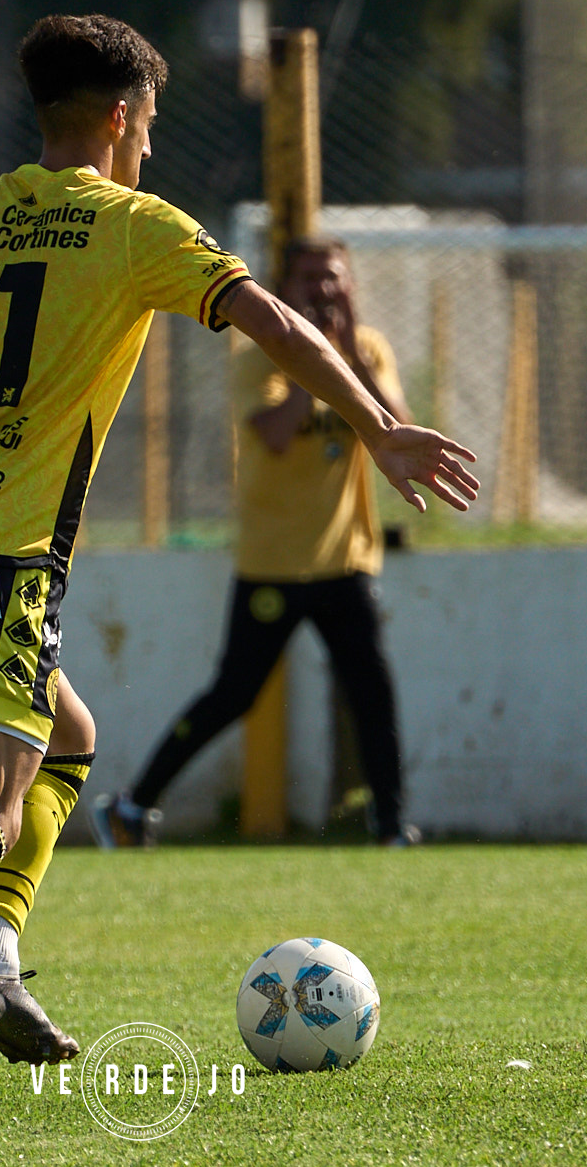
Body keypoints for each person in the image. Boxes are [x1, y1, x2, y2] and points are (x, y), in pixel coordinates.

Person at [0, 13, 479, 1088]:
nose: (151, 147)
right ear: (124, 117)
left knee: (68, 737)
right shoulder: (131, 224)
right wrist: (375, 424)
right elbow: (272, 320)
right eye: (152, 126)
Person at [94, 239, 423, 849]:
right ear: (285, 289)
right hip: (273, 564)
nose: (324, 293)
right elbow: (274, 434)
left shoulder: (370, 350)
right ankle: (131, 806)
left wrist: (347, 352)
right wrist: (309, 361)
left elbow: (397, 424)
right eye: (309, 282)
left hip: (345, 561)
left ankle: (390, 827)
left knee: (371, 695)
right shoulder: (258, 361)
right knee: (233, 695)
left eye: (334, 280)